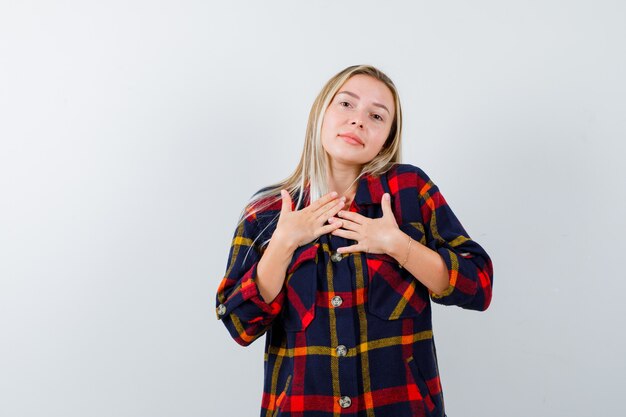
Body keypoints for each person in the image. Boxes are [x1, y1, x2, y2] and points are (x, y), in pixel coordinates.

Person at [215, 64, 494, 417]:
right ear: (321, 113)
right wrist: (283, 243)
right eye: (346, 104)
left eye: (376, 116)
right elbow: (239, 324)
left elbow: (479, 284)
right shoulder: (269, 212)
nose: (359, 120)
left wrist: (397, 244)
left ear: (387, 138)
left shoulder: (409, 191)